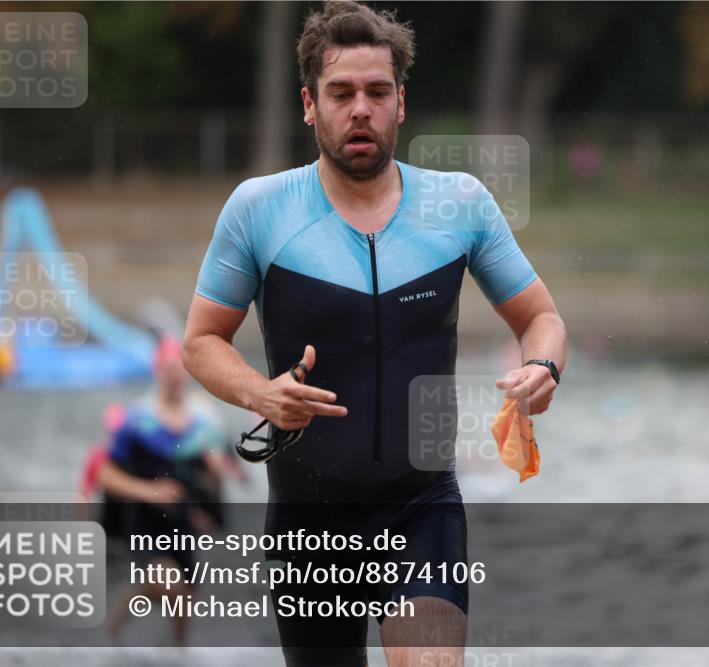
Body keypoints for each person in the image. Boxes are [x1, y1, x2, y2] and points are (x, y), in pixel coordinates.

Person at [182, 2, 567, 665]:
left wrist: (544, 369)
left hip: (421, 507)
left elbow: (542, 318)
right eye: (341, 93)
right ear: (309, 104)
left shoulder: (460, 204)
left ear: (400, 104)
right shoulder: (259, 209)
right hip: (309, 521)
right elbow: (200, 341)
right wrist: (260, 394)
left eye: (376, 92)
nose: (360, 108)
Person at [98, 336, 225, 645]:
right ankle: (131, 599)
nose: (175, 374)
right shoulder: (138, 419)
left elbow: (197, 481)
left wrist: (206, 499)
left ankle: (176, 652)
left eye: (181, 368)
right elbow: (105, 474)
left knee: (184, 600)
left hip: (181, 522)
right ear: (158, 371)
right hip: (144, 519)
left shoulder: (200, 422)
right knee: (170, 585)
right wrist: (147, 491)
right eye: (169, 368)